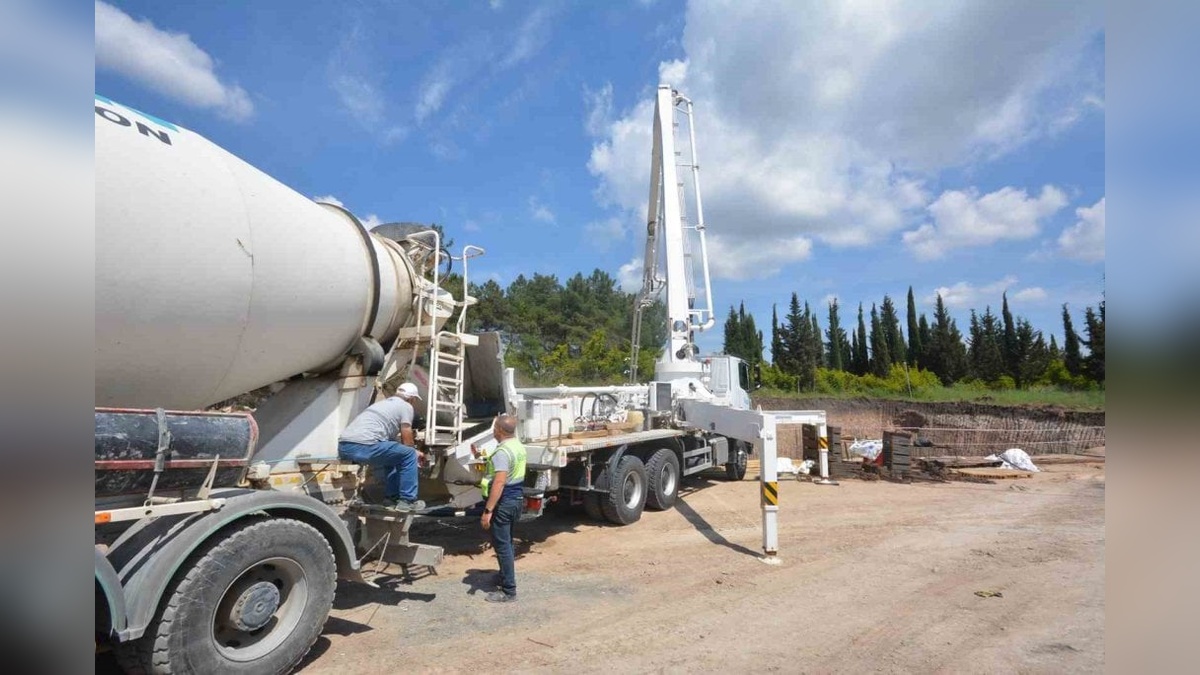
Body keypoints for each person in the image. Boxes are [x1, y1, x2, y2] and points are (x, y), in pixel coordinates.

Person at [338, 382, 425, 511]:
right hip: (365, 446)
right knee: (409, 454)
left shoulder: (382, 404)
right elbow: (406, 432)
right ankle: (407, 500)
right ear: (411, 398)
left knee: (392, 456)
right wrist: (415, 452)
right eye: (414, 400)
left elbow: (390, 441)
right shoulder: (406, 406)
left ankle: (391, 499)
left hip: (345, 446)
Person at [480, 414, 526, 603]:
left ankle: (508, 590)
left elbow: (499, 482)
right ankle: (503, 576)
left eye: (494, 427)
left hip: (503, 502)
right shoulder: (517, 446)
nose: (492, 430)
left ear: (499, 430)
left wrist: (488, 510)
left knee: (503, 546)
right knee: (506, 542)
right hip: (515, 500)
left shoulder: (502, 452)